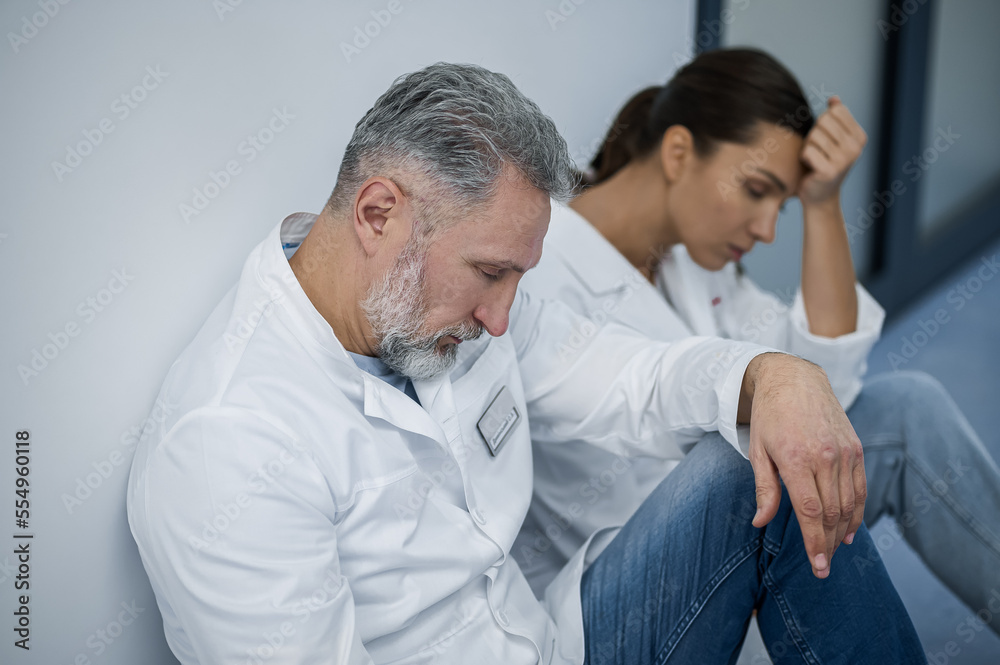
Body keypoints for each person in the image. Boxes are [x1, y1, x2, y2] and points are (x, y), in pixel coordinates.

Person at [126, 62, 924, 664]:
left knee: (754, 457)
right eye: (489, 273)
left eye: (517, 277)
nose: (502, 317)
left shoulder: (440, 313)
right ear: (377, 213)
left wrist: (770, 375)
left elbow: (630, 378)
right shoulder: (230, 444)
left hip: (553, 635)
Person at [513, 47, 1000, 637]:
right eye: (755, 189)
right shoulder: (538, 270)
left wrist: (822, 205)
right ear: (678, 152)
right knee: (746, 464)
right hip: (626, 587)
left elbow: (823, 391)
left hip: (742, 514)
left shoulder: (693, 260)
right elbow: (644, 494)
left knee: (906, 407)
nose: (768, 229)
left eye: (782, 205)